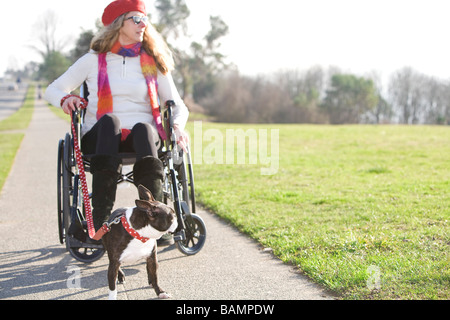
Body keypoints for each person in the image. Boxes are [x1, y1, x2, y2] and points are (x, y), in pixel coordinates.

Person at [45, 0, 189, 243]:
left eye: (145, 19)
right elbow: (54, 88)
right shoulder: (93, 60)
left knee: (144, 128)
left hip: (141, 139)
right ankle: (100, 221)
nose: (143, 24)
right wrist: (65, 99)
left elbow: (177, 105)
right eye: (136, 18)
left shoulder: (152, 62)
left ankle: (157, 222)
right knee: (110, 121)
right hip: (101, 137)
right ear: (119, 23)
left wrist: (177, 126)